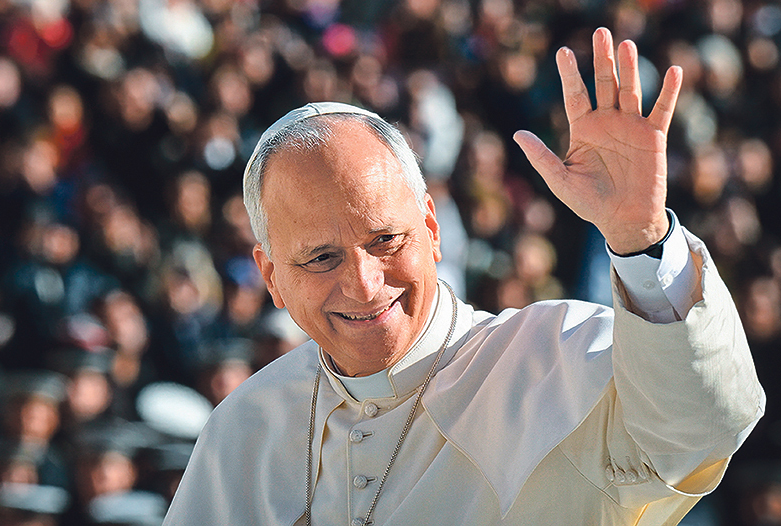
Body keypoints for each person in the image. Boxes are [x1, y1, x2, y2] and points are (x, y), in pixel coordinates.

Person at [162, 28, 764, 525]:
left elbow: (702, 429)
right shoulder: (243, 430)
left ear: (431, 227)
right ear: (270, 275)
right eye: (322, 258)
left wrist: (642, 240)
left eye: (385, 241)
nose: (366, 284)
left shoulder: (551, 360)